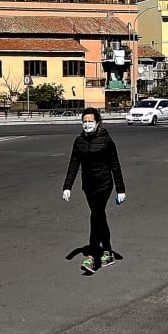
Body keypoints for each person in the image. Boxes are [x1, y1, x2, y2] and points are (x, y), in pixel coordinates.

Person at [62, 107, 126, 274]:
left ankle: (92, 257)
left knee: (95, 215)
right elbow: (73, 164)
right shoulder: (79, 141)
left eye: (90, 121)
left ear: (98, 123)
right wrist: (67, 186)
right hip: (88, 186)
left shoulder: (106, 141)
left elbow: (115, 165)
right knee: (100, 216)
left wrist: (120, 190)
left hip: (104, 184)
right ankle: (107, 251)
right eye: (84, 121)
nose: (87, 124)